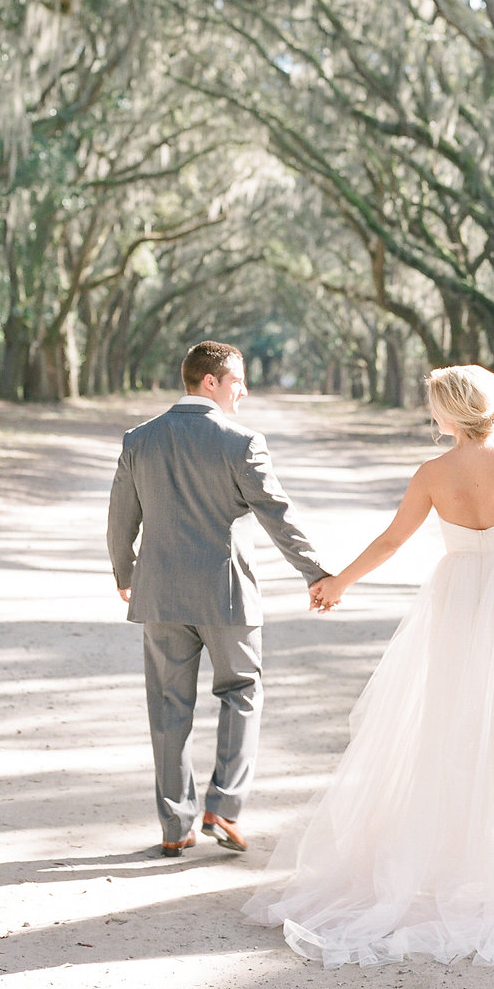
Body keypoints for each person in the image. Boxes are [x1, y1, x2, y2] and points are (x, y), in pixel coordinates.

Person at [245, 364, 494, 967]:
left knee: (447, 723)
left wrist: (338, 583)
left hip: (455, 598)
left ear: (450, 415)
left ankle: (441, 855)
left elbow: (390, 542)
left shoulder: (432, 474)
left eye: (435, 407)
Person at [107, 340, 331, 857]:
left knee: (167, 708)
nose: (244, 391)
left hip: (159, 593)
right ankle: (223, 808)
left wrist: (125, 571)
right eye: (238, 381)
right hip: (227, 594)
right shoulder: (242, 440)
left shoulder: (140, 439)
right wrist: (315, 572)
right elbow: (278, 514)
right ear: (211, 381)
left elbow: (121, 515)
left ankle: (175, 825)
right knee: (242, 691)